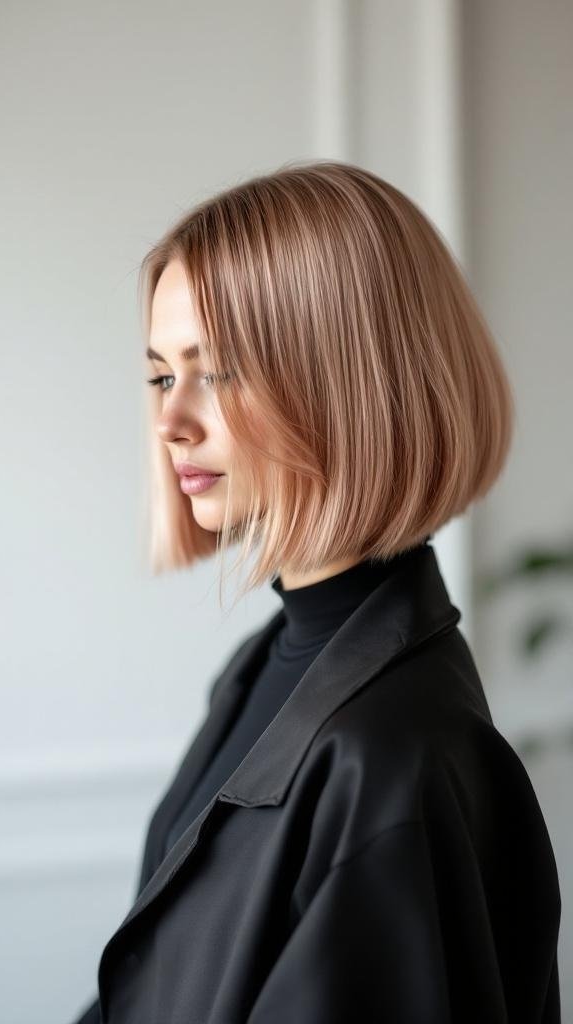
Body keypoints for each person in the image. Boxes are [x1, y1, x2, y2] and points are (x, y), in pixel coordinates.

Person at [71, 160, 561, 1023]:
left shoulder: (390, 761)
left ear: (348, 383)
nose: (170, 421)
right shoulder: (260, 666)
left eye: (219, 371)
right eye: (162, 375)